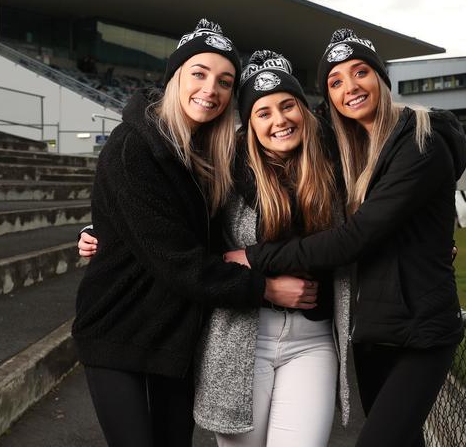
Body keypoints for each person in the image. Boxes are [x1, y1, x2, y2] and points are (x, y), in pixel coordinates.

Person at [79, 50, 351, 447]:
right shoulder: (224, 169)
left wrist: (430, 244)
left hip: (309, 341)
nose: (279, 120)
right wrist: (102, 230)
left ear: (303, 110)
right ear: (248, 124)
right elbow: (174, 238)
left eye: (288, 105)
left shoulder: (332, 167)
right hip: (239, 339)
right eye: (262, 112)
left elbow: (361, 231)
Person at [225, 29, 466, 447]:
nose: (350, 87)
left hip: (420, 330)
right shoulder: (351, 150)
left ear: (381, 77)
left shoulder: (419, 141)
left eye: (360, 72)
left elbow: (353, 238)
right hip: (374, 333)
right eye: (336, 82)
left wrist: (255, 256)